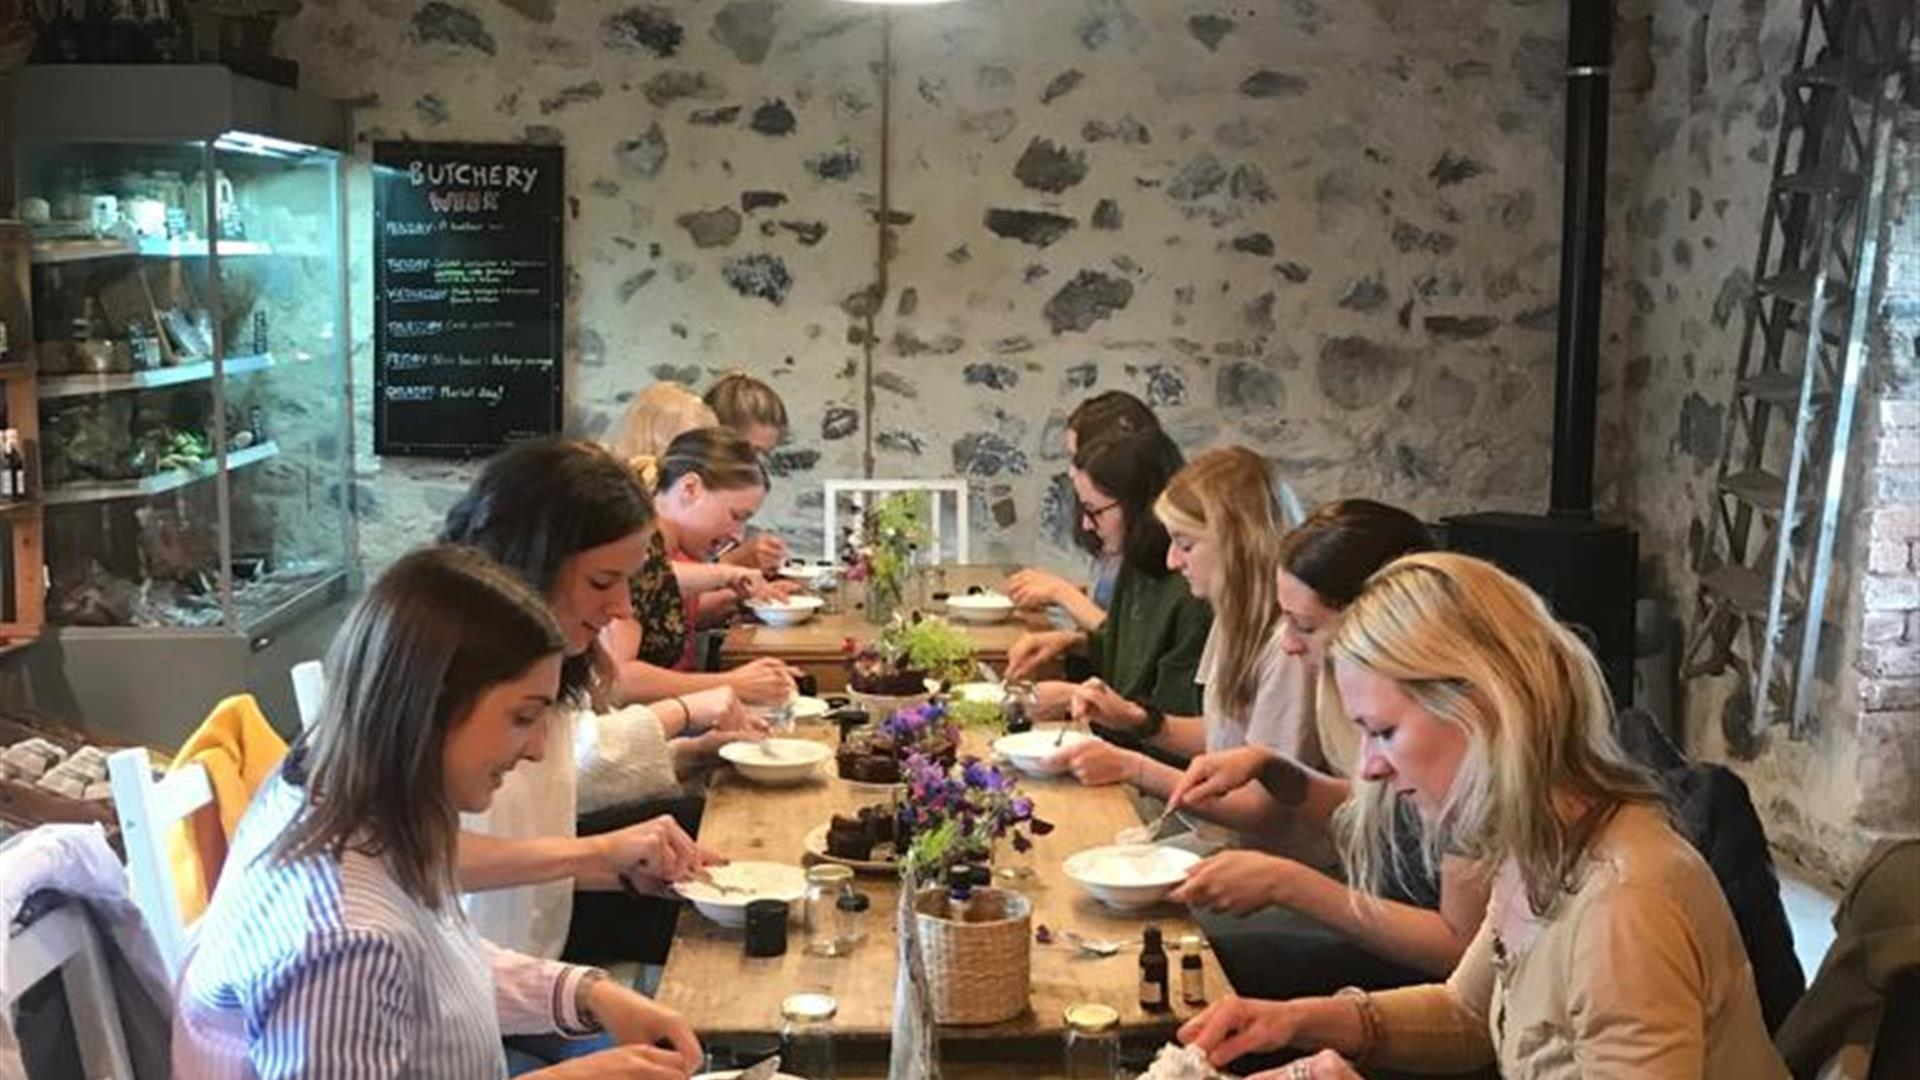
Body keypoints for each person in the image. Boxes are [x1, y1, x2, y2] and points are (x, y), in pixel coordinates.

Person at [1179, 553, 1787, 1079]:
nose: (1368, 769)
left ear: (1484, 706)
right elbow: (1468, 1014)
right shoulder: (1539, 841)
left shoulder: (1622, 910)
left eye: (1384, 732)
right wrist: (1295, 1021)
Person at [174, 546, 703, 1079]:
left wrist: (583, 992)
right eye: (522, 717)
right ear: (427, 706)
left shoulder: (344, 799)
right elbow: (379, 964)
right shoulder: (342, 937)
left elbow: (431, 977)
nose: (537, 748)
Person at [1163, 500, 1488, 995]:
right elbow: (1380, 815)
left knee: (1192, 960)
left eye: (1305, 626)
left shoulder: (1461, 734)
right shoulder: (1390, 710)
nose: (1289, 644)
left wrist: (1287, 884)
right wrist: (1275, 769)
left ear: (1381, 616)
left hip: (1417, 982)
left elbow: (1459, 950)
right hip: (1372, 922)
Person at [437, 439, 727, 975]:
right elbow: (415, 858)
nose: (620, 606)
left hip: (517, 962)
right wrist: (595, 855)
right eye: (602, 582)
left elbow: (518, 835)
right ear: (533, 558)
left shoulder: (544, 660)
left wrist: (618, 868)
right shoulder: (435, 665)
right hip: (471, 986)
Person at [1047, 447, 1324, 852]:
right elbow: (1225, 736)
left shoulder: (1289, 646)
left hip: (1271, 868)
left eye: (1186, 544)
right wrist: (1134, 718)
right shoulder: (1233, 617)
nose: (1172, 560)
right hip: (1223, 843)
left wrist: (1133, 766)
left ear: (1237, 544)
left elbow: (1265, 810)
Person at [604, 383, 799, 705]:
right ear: (690, 487)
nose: (738, 533)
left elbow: (664, 583)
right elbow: (617, 680)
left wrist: (733, 580)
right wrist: (730, 683)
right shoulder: (634, 541)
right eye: (735, 515)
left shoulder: (653, 548)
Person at [1002, 430, 1210, 723]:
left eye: (1094, 511)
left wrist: (1076, 697)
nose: (1087, 525)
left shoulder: (1192, 589)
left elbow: (1167, 716)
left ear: (1139, 505)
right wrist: (1070, 642)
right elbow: (1128, 651)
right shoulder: (1137, 565)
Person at [1012, 390, 1163, 624]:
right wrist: (1057, 592)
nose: (1072, 471)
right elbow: (1110, 601)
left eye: (1077, 458)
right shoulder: (1114, 531)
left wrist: (1061, 592)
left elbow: (1126, 641)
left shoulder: (1158, 550)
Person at [704, 371, 791, 572]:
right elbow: (664, 586)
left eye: (762, 454)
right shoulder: (683, 491)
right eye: (748, 450)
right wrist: (734, 563)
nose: (752, 463)